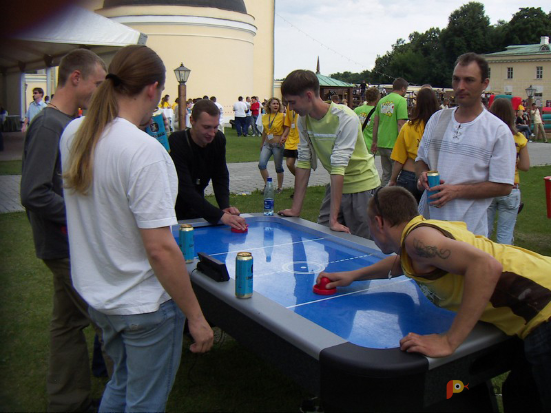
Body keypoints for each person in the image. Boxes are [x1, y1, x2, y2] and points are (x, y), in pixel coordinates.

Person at [59, 45, 214, 412]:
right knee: (144, 403)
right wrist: (196, 316)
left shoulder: (74, 133)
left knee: (122, 383)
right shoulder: (145, 152)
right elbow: (159, 248)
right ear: (153, 89)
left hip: (99, 297)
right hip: (143, 306)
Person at [319, 186, 551, 411]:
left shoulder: (418, 240)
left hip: (544, 306)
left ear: (378, 222)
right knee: (521, 394)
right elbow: (398, 264)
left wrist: (450, 341)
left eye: (370, 225)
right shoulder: (418, 238)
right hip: (537, 306)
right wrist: (353, 275)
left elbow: (485, 266)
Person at [20, 48, 108, 412]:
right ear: (76, 78)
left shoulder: (68, 123)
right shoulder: (48, 124)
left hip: (67, 244)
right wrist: (83, 216)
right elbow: (34, 193)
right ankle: (124, 394)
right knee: (108, 317)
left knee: (67, 324)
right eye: (98, 83)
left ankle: (67, 401)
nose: (100, 91)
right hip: (63, 246)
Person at [415, 52, 516, 236]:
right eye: (456, 79)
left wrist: (456, 191)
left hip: (468, 234)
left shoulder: (497, 130)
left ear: (484, 84)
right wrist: (422, 174)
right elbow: (420, 160)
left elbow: (504, 185)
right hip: (428, 227)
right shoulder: (438, 119)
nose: (460, 86)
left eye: (469, 80)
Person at [278, 69, 381, 239]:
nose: (290, 108)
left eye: (292, 102)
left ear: (309, 96)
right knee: (325, 238)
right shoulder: (303, 119)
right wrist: (296, 209)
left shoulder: (345, 117)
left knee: (361, 245)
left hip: (362, 187)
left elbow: (338, 165)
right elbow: (304, 162)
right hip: (336, 185)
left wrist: (334, 219)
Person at [169, 99, 247, 230]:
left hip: (198, 206)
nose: (212, 133)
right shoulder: (177, 141)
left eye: (215, 127)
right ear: (192, 120)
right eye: (207, 127)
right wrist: (221, 216)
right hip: (173, 209)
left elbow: (220, 175)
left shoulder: (218, 139)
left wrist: (224, 206)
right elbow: (184, 189)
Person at [487, 98, 530, 245]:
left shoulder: (488, 136)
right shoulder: (519, 138)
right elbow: (525, 166)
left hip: (489, 186)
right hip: (511, 186)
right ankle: (504, 266)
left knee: (483, 233)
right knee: (505, 235)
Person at [389, 88, 440, 202]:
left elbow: (399, 158)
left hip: (408, 174)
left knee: (406, 217)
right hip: (432, 178)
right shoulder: (440, 128)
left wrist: (393, 179)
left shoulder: (408, 127)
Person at [371, 78, 409, 187]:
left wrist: (374, 141)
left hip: (382, 143)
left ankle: (381, 197)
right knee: (395, 176)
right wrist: (404, 144)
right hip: (394, 144)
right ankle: (392, 199)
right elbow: (401, 123)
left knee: (386, 174)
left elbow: (376, 123)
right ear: (403, 88)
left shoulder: (381, 101)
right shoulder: (401, 101)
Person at [258, 97, 285, 193]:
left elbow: (287, 128)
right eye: (273, 103)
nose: (276, 105)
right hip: (267, 145)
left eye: (277, 104)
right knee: (261, 164)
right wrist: (262, 143)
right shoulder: (265, 117)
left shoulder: (282, 116)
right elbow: (265, 131)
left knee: (278, 167)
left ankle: (280, 187)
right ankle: (267, 185)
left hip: (277, 145)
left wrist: (284, 137)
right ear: (269, 105)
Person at [353, 86, 380, 154]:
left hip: (357, 145)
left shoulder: (357, 110)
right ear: (377, 98)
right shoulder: (377, 112)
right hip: (370, 145)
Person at [281, 104, 299, 197]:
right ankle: (301, 180)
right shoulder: (289, 106)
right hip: (291, 140)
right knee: (289, 164)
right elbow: (288, 124)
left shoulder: (303, 102)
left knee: (301, 167)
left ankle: (297, 190)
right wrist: (284, 135)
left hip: (301, 140)